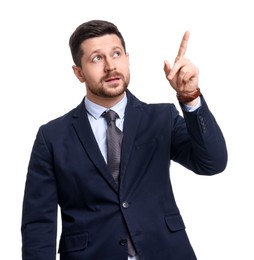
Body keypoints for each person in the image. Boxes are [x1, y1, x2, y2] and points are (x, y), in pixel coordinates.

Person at [21, 20, 228, 260]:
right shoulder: (52, 137)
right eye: (97, 58)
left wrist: (190, 96)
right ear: (79, 72)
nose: (110, 66)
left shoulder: (161, 118)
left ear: (127, 59)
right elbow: (38, 223)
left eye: (116, 54)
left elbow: (212, 162)